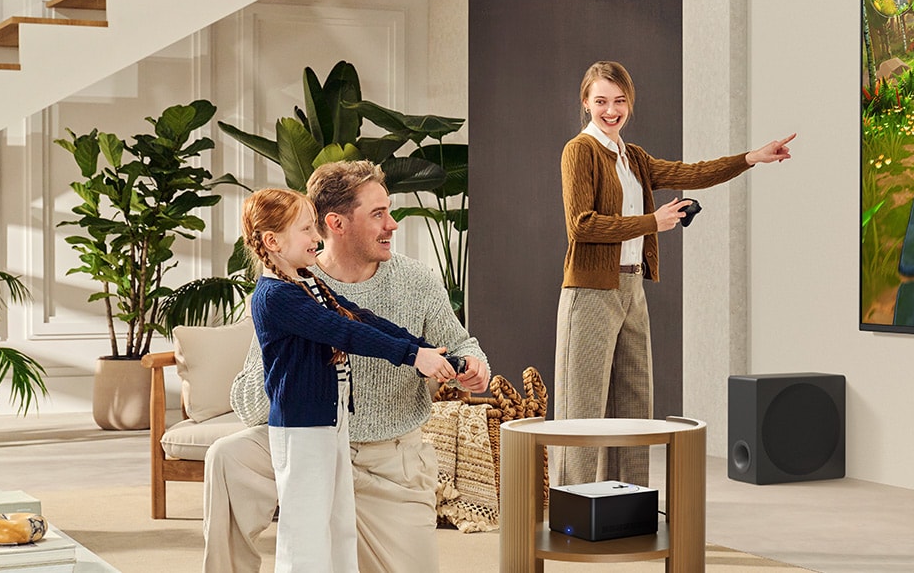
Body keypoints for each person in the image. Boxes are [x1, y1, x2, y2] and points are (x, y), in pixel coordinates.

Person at [204, 161, 491, 573]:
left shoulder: (416, 280)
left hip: (388, 463)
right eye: (378, 214)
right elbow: (250, 399)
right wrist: (290, 366)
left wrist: (472, 365)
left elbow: (456, 341)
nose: (392, 224)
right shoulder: (291, 285)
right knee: (227, 457)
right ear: (336, 223)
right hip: (307, 440)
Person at [555, 60, 795, 487]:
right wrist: (653, 222)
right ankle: (574, 506)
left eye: (620, 101)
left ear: (630, 103)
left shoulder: (633, 158)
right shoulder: (580, 150)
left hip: (631, 287)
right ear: (586, 103)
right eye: (601, 101)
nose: (611, 111)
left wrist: (751, 158)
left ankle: (628, 499)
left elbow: (692, 173)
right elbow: (582, 225)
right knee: (582, 408)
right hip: (590, 290)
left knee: (635, 402)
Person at [242, 186, 456, 573]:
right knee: (306, 532)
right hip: (300, 429)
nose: (316, 237)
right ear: (273, 241)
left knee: (338, 525)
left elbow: (361, 319)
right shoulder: (276, 297)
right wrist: (411, 356)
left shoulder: (304, 282)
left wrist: (427, 350)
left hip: (328, 424)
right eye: (306, 230)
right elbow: (344, 333)